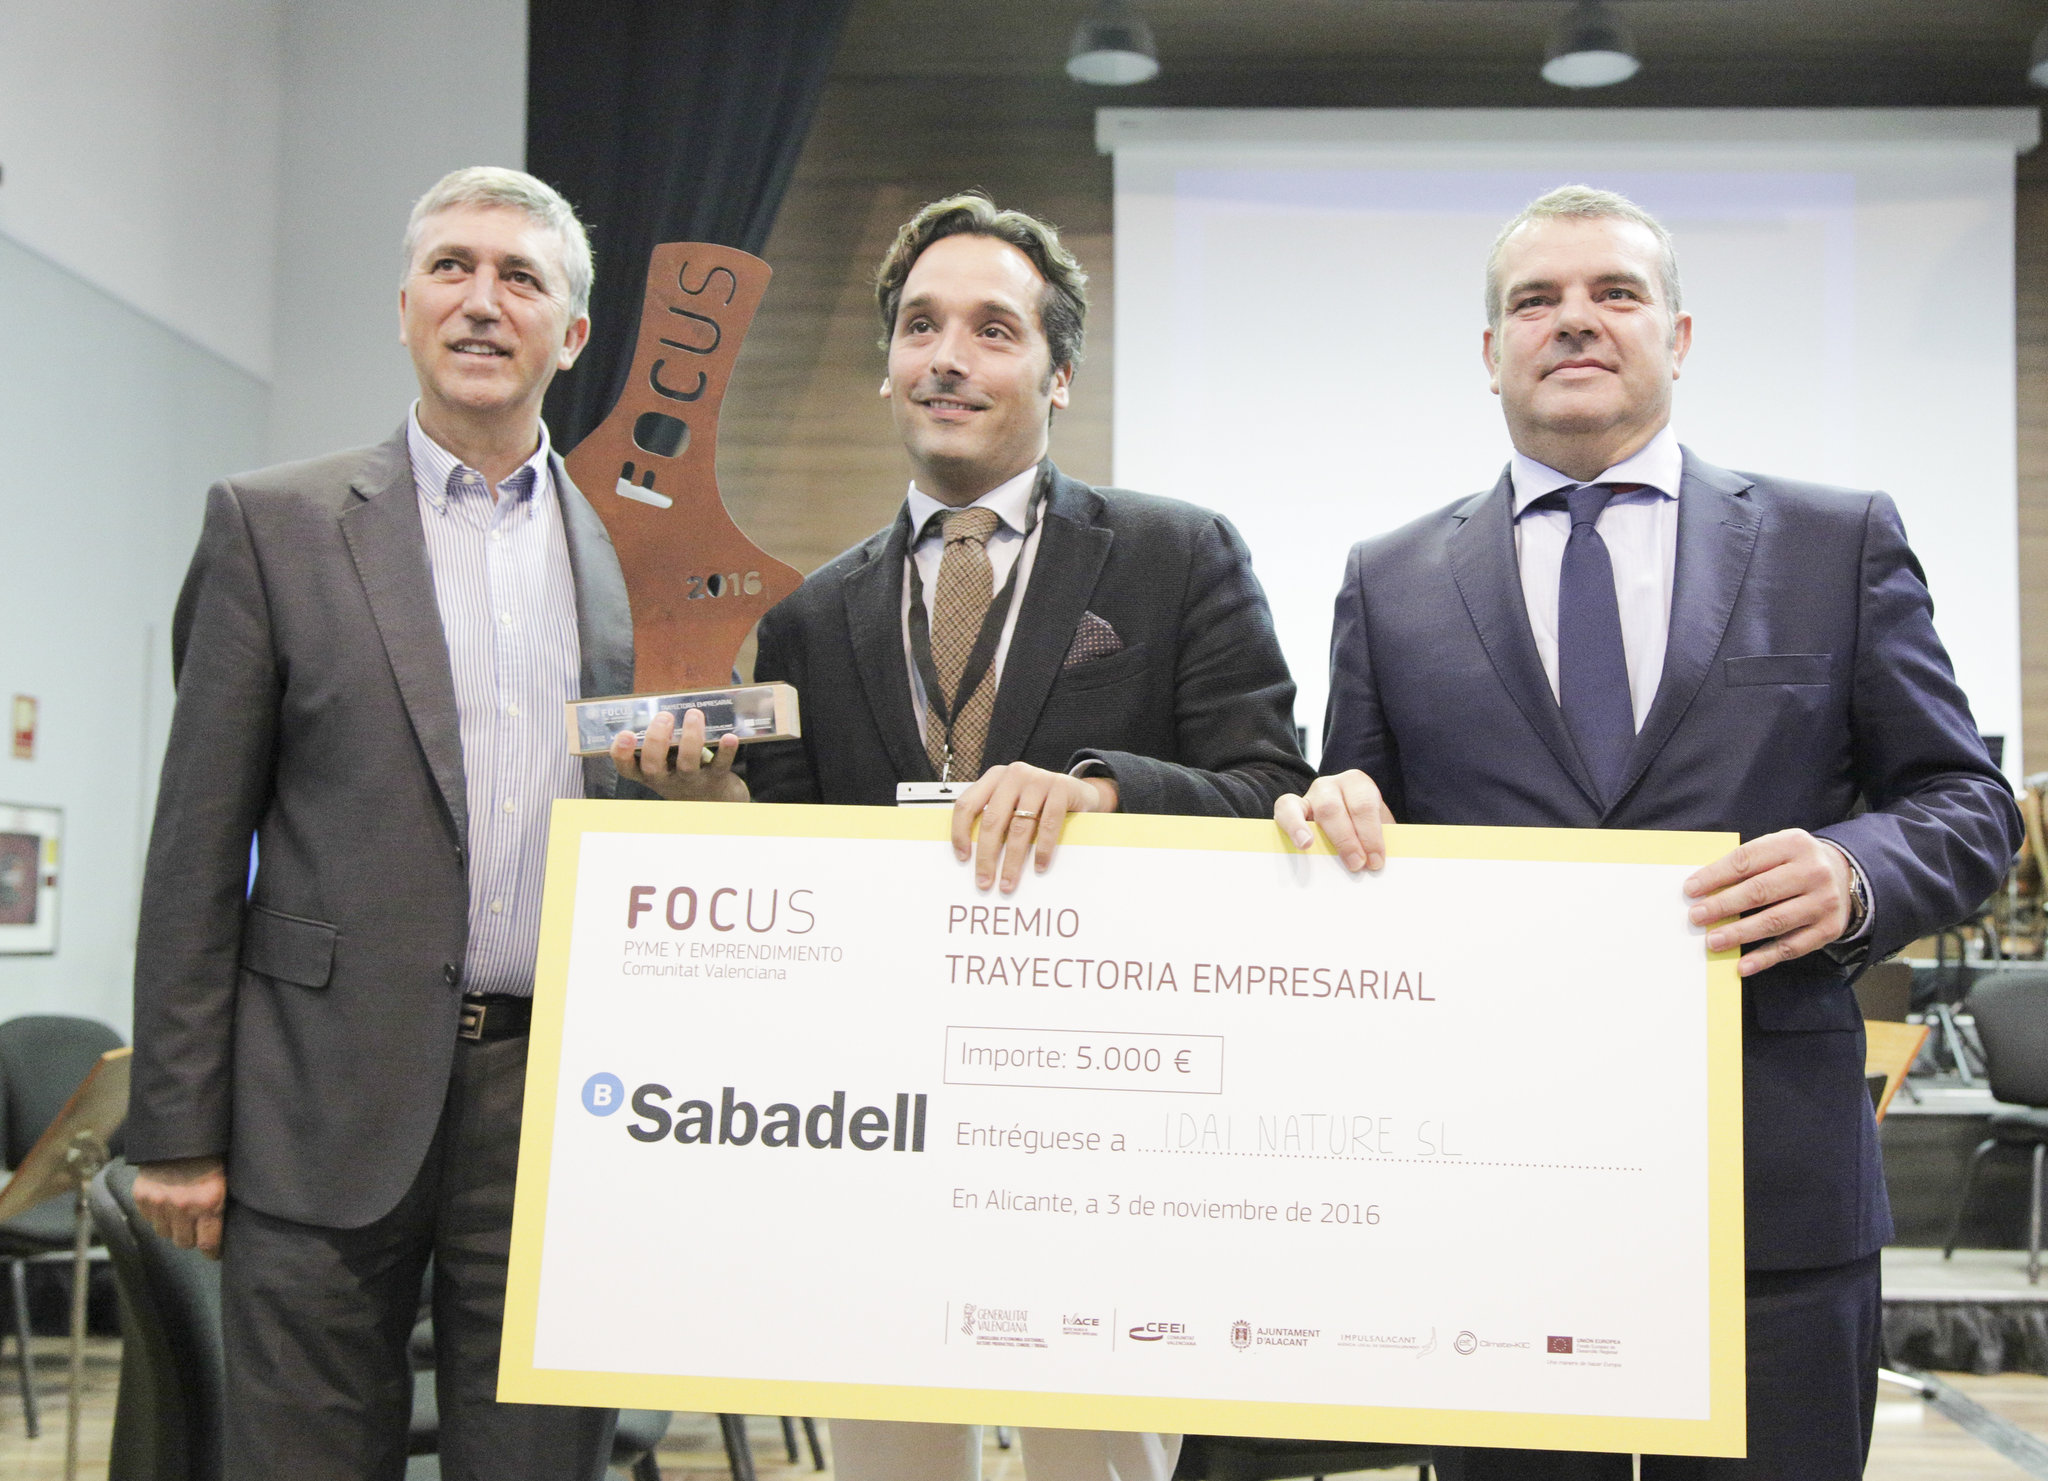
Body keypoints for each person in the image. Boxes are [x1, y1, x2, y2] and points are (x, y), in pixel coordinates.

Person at [1276, 184, 2021, 1480]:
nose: (1575, 320)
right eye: (1536, 300)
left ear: (1677, 337)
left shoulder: (1834, 540)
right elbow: (1360, 818)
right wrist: (1324, 813)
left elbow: (1967, 803)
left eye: (1615, 293)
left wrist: (1854, 872)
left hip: (1770, 1198)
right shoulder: (1387, 581)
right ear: (1491, 352)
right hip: (1493, 1198)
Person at [621, 192, 1312, 1481]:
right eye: (922, 327)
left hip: (1108, 1123)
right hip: (884, 1124)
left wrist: (1101, 795)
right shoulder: (811, 619)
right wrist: (706, 809)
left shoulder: (1176, 557)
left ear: (1058, 375)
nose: (949, 357)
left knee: (1100, 1463)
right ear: (887, 367)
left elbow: (1271, 787)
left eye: (995, 330)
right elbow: (793, 876)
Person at [127, 166, 624, 1481]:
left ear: (572, 334)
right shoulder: (271, 526)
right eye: (451, 267)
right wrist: (178, 1124)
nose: (482, 301)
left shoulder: (620, 555)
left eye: (520, 278)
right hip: (318, 1097)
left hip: (555, 1102)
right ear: (403, 305)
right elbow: (195, 846)